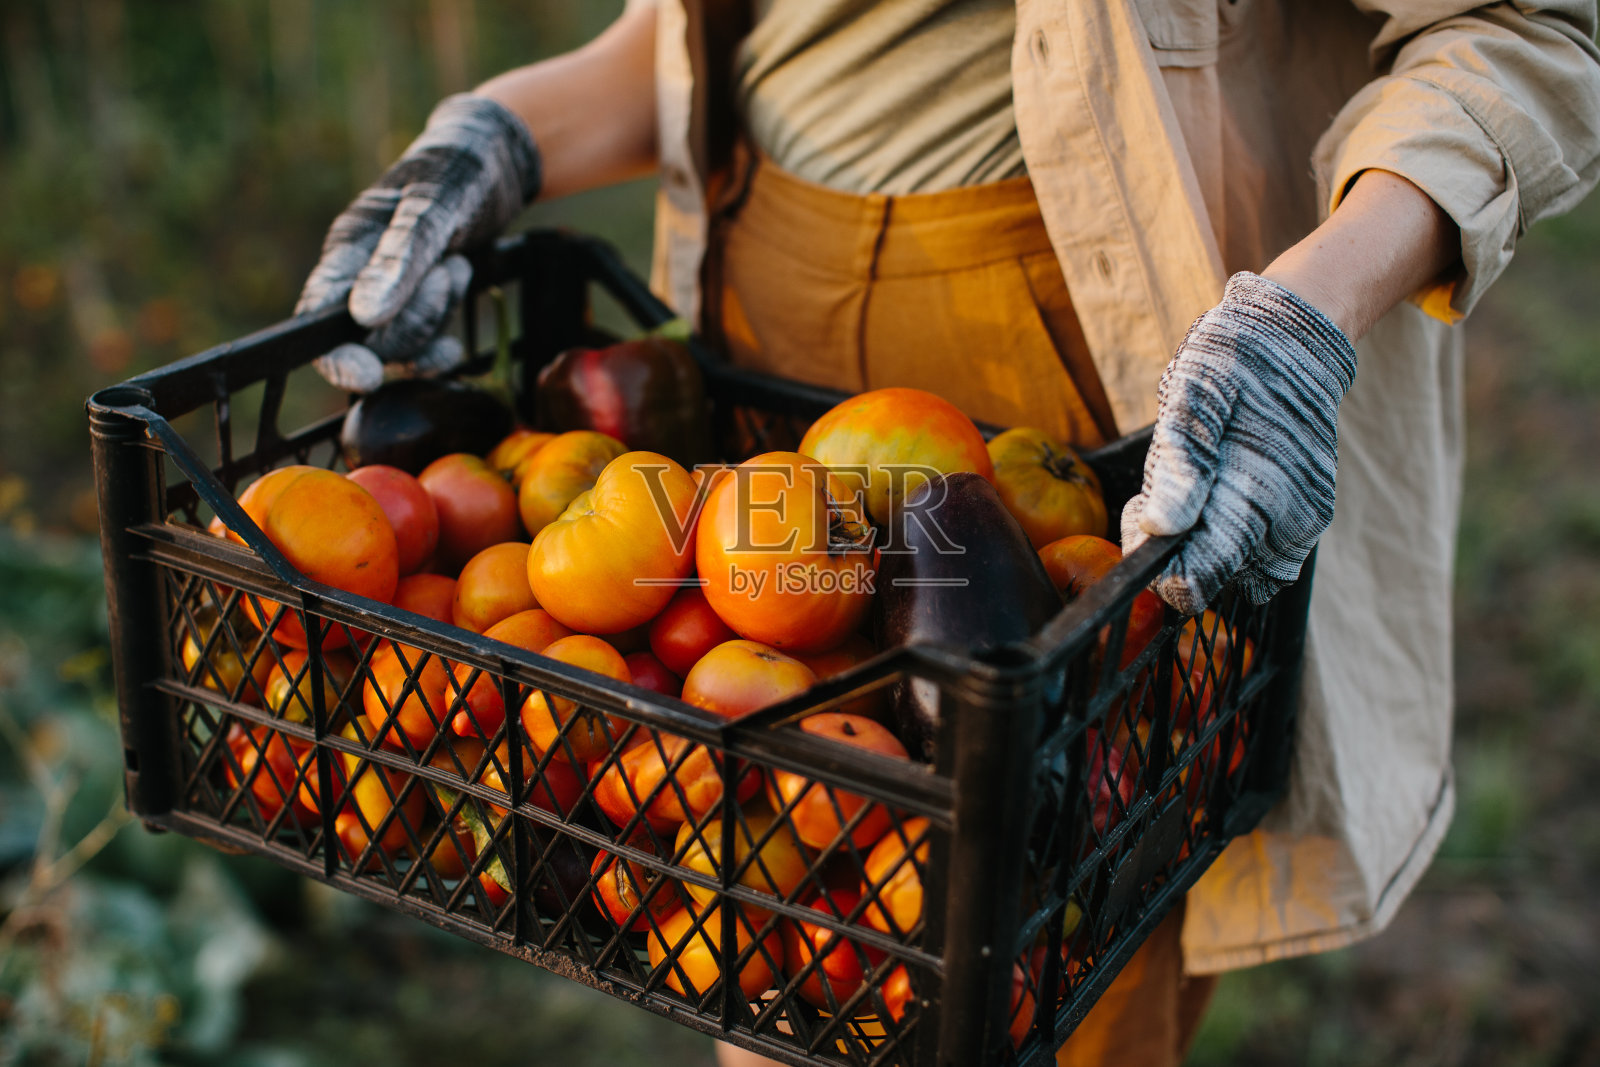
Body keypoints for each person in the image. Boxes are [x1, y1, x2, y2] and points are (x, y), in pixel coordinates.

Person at [296, 2, 1600, 1064]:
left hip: (1070, 331)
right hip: (761, 330)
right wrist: (501, 136)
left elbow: (1524, 31)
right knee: (777, 934)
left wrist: (1312, 308)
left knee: (1041, 949)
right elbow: (727, 43)